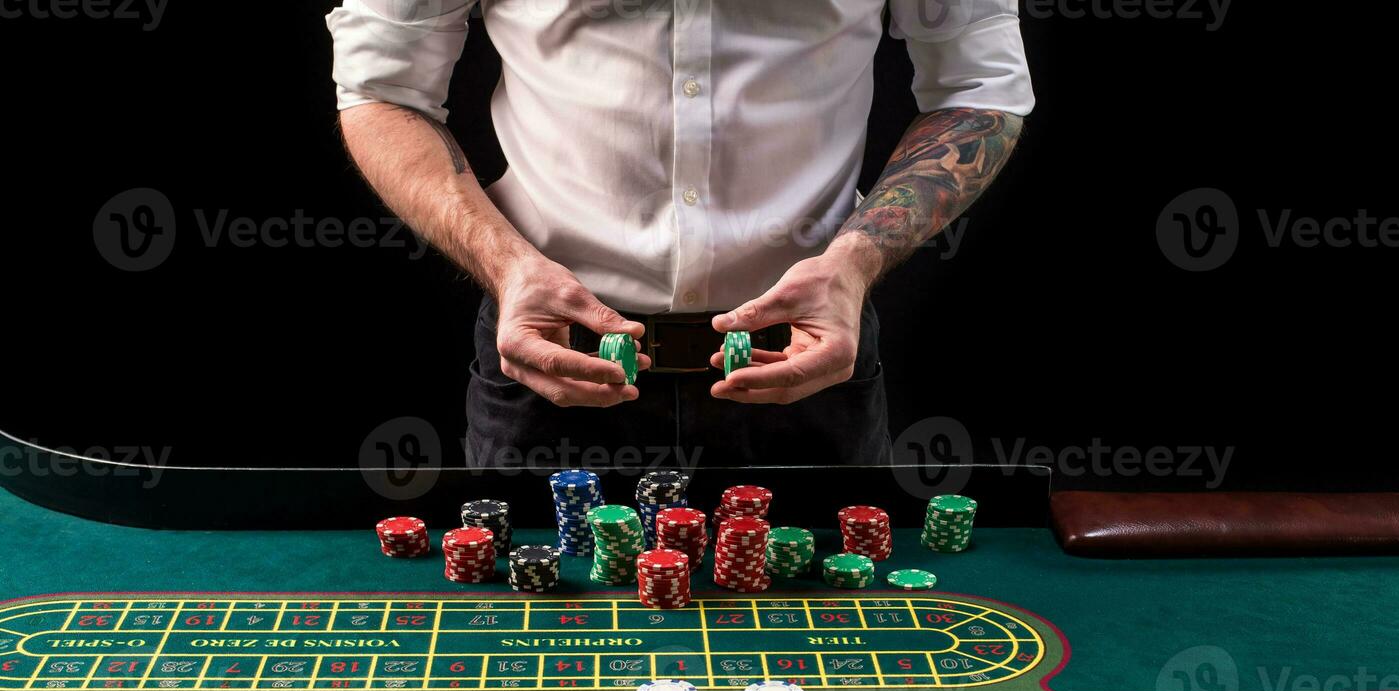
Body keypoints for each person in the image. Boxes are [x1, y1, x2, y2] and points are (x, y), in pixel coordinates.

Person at [328, 1, 1033, 468]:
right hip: (550, 364)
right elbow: (382, 89)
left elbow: (980, 88)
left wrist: (854, 263)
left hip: (808, 364)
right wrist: (506, 265)